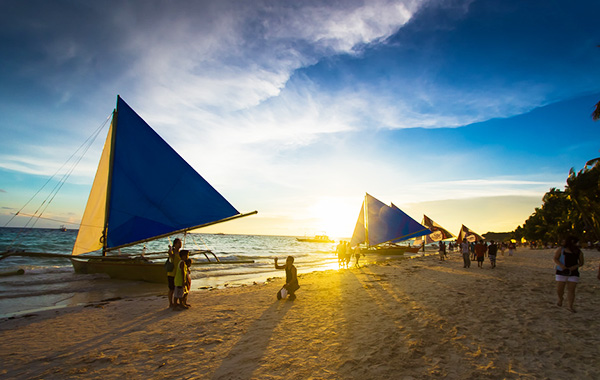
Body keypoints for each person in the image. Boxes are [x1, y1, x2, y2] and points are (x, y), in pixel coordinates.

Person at [553, 236, 584, 313]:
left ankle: (570, 306)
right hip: (561, 271)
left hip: (573, 272)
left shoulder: (579, 252)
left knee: (571, 290)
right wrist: (562, 266)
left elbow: (581, 262)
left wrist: (574, 267)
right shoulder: (561, 249)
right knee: (559, 289)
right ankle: (560, 299)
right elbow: (555, 258)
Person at [167, 238, 182, 308]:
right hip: (172, 274)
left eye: (180, 242)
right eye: (179, 243)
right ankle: (170, 303)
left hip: (178, 274)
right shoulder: (173, 252)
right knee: (172, 289)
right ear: (175, 244)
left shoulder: (180, 253)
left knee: (178, 289)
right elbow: (170, 254)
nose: (180, 244)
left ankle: (177, 302)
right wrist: (170, 248)